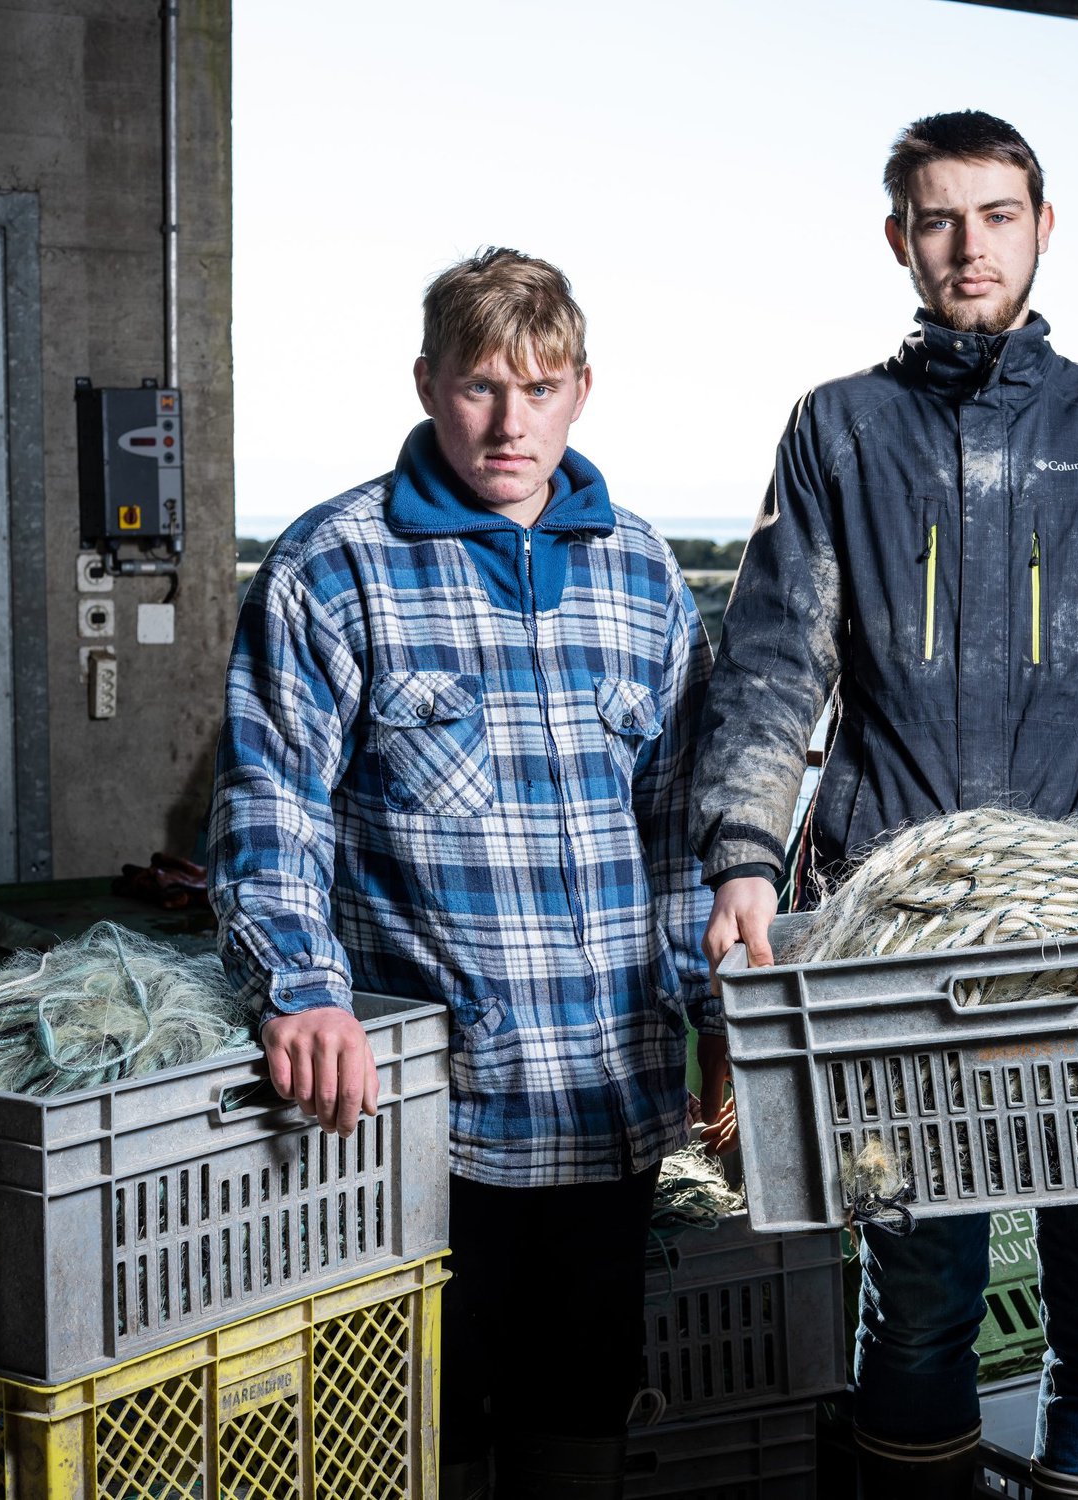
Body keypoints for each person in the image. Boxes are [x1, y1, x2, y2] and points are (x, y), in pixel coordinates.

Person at [690, 111, 1078, 1500]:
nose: (968, 245)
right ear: (898, 240)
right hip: (900, 935)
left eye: (996, 214)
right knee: (917, 1291)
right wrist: (745, 853)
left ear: (1046, 225)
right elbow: (768, 667)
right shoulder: (838, 433)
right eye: (938, 218)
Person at [208, 248, 724, 1500]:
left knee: (583, 1395)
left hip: (608, 1094)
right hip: (423, 1106)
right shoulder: (334, 564)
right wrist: (299, 988)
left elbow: (678, 834)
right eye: (481, 386)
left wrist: (716, 1025)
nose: (509, 422)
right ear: (428, 382)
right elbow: (270, 802)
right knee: (420, 1417)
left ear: (581, 391)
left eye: (539, 388)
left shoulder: (644, 574)